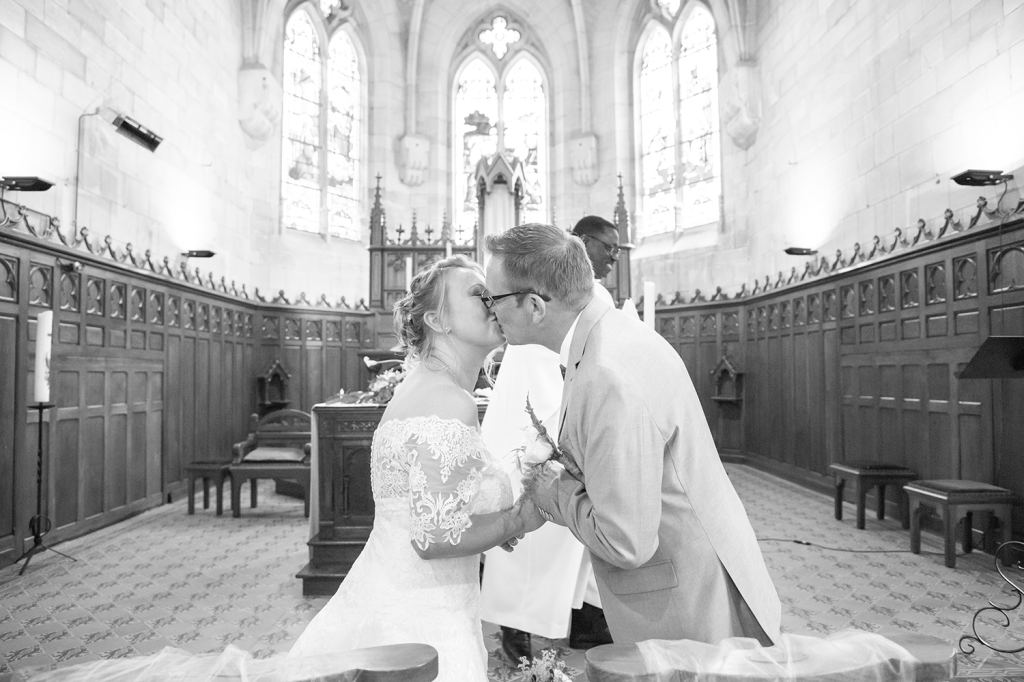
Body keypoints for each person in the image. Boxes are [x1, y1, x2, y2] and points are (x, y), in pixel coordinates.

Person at [483, 224, 781, 646]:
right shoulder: (603, 339)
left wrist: (554, 491)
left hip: (688, 602)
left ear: (534, 306)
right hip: (697, 570)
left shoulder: (607, 374)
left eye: (492, 298)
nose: (488, 311)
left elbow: (625, 543)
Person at [288, 254, 546, 680]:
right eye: (480, 295)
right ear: (438, 321)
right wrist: (520, 518)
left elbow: (430, 511)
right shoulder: (446, 399)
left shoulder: (430, 389)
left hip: (413, 596)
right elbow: (435, 538)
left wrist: (492, 522)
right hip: (421, 618)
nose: (494, 302)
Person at [479, 217, 618, 662]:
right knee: (527, 534)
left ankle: (580, 622)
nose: (614, 256)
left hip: (559, 429)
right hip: (531, 425)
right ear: (582, 243)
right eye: (608, 247)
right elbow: (539, 376)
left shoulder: (589, 300)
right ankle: (519, 635)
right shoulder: (546, 302)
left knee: (569, 538)